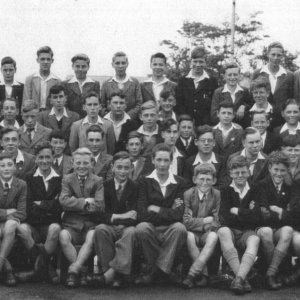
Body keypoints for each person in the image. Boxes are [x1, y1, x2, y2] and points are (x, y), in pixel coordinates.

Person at [135, 143, 187, 285]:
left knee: (180, 228)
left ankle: (154, 271)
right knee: (141, 228)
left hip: (171, 229)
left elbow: (179, 214)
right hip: (151, 227)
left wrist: (156, 209)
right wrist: (168, 211)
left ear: (171, 161)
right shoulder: (143, 181)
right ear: (152, 160)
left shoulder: (180, 183)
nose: (162, 164)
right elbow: (142, 213)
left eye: (166, 160)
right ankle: (167, 270)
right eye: (159, 160)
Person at [17, 141, 62, 284]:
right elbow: (28, 206)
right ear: (36, 159)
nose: (44, 161)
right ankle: (46, 267)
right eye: (41, 157)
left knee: (55, 228)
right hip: (33, 224)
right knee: (22, 229)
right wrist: (49, 205)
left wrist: (41, 204)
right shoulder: (28, 178)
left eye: (47, 157)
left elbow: (59, 206)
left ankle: (36, 271)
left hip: (51, 224)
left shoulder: (60, 179)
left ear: (53, 158)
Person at [59, 147, 104, 288]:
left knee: (91, 237)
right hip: (71, 224)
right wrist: (85, 202)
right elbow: (63, 201)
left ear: (92, 164)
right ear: (72, 163)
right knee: (63, 237)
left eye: (85, 163)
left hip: (90, 224)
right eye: (78, 163)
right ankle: (82, 272)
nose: (82, 166)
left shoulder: (98, 180)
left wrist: (74, 203)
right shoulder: (67, 179)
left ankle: (75, 271)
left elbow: (99, 205)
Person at [92, 152, 138, 288]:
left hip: (127, 227)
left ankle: (110, 275)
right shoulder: (104, 185)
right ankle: (112, 272)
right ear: (112, 167)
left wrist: (123, 223)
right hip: (109, 224)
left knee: (130, 233)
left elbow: (136, 213)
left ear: (131, 169)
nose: (123, 171)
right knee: (100, 229)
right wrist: (120, 217)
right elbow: (99, 213)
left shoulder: (135, 187)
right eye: (119, 167)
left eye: (126, 168)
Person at [218, 155, 260, 295]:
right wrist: (247, 212)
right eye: (236, 173)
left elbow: (257, 218)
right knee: (223, 231)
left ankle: (239, 278)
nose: (240, 175)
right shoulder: (225, 190)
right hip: (230, 230)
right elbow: (225, 217)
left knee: (255, 239)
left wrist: (237, 211)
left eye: (243, 172)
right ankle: (242, 279)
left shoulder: (255, 189)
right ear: (230, 173)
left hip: (247, 231)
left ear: (249, 172)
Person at [255, 151, 293, 290]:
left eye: (283, 170)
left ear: (287, 170)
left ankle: (270, 273)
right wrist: (283, 212)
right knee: (266, 232)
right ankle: (276, 272)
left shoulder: (290, 186)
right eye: (276, 169)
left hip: (280, 228)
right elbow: (262, 214)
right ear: (270, 167)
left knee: (288, 230)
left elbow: (293, 214)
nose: (279, 173)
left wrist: (277, 209)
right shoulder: (261, 185)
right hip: (262, 227)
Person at [182, 163, 220, 289]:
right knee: (188, 236)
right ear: (194, 179)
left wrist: (201, 224)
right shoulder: (188, 194)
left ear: (214, 180)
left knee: (213, 236)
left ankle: (192, 274)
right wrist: (204, 221)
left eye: (208, 179)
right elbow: (186, 221)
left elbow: (217, 220)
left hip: (207, 232)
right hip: (192, 232)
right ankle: (204, 273)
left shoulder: (217, 194)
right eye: (201, 179)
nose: (205, 182)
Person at [0, 152, 27, 286]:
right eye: (2, 165)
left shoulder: (21, 184)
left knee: (10, 225)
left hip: (12, 221)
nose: (6, 168)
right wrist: (6, 212)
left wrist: (6, 217)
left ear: (15, 167)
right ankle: (8, 269)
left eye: (9, 165)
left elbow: (22, 213)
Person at [252, 42, 294, 127]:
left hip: (281, 121)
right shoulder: (257, 73)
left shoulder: (289, 75)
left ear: (282, 56)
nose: (275, 58)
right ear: (268, 54)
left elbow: (291, 98)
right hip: (261, 119)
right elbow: (252, 95)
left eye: (279, 55)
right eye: (273, 54)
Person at [175, 46, 218, 126]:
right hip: (186, 125)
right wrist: (186, 120)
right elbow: (179, 104)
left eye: (201, 62)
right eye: (195, 61)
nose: (198, 65)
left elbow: (214, 104)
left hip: (205, 125)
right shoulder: (182, 81)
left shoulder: (212, 81)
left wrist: (207, 123)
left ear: (205, 62)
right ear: (191, 62)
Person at [101, 51, 142, 119]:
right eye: (117, 63)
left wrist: (128, 116)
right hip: (111, 122)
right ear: (112, 64)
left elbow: (139, 103)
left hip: (130, 121)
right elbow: (102, 105)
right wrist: (110, 117)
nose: (120, 66)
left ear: (127, 64)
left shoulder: (134, 82)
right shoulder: (106, 84)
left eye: (123, 63)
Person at [211, 63, 253, 127]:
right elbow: (214, 115)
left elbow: (251, 106)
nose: (232, 77)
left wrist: (244, 106)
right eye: (229, 75)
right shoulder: (218, 92)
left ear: (239, 76)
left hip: (242, 127)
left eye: (235, 75)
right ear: (224, 76)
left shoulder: (245, 91)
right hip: (223, 128)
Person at [23, 46, 60, 110]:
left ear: (52, 61)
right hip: (34, 115)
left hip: (50, 116)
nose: (45, 62)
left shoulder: (57, 81)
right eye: (42, 59)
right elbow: (25, 102)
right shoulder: (30, 79)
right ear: (37, 60)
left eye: (48, 59)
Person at [64, 54, 100, 118]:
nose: (80, 69)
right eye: (77, 66)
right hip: (71, 119)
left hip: (89, 119)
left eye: (83, 66)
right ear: (73, 67)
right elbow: (64, 105)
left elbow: (97, 103)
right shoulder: (66, 84)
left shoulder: (95, 84)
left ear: (88, 67)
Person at [0, 56, 23, 123]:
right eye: (5, 70)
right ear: (1, 70)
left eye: (10, 70)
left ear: (15, 70)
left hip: (18, 123)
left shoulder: (22, 87)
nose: (8, 73)